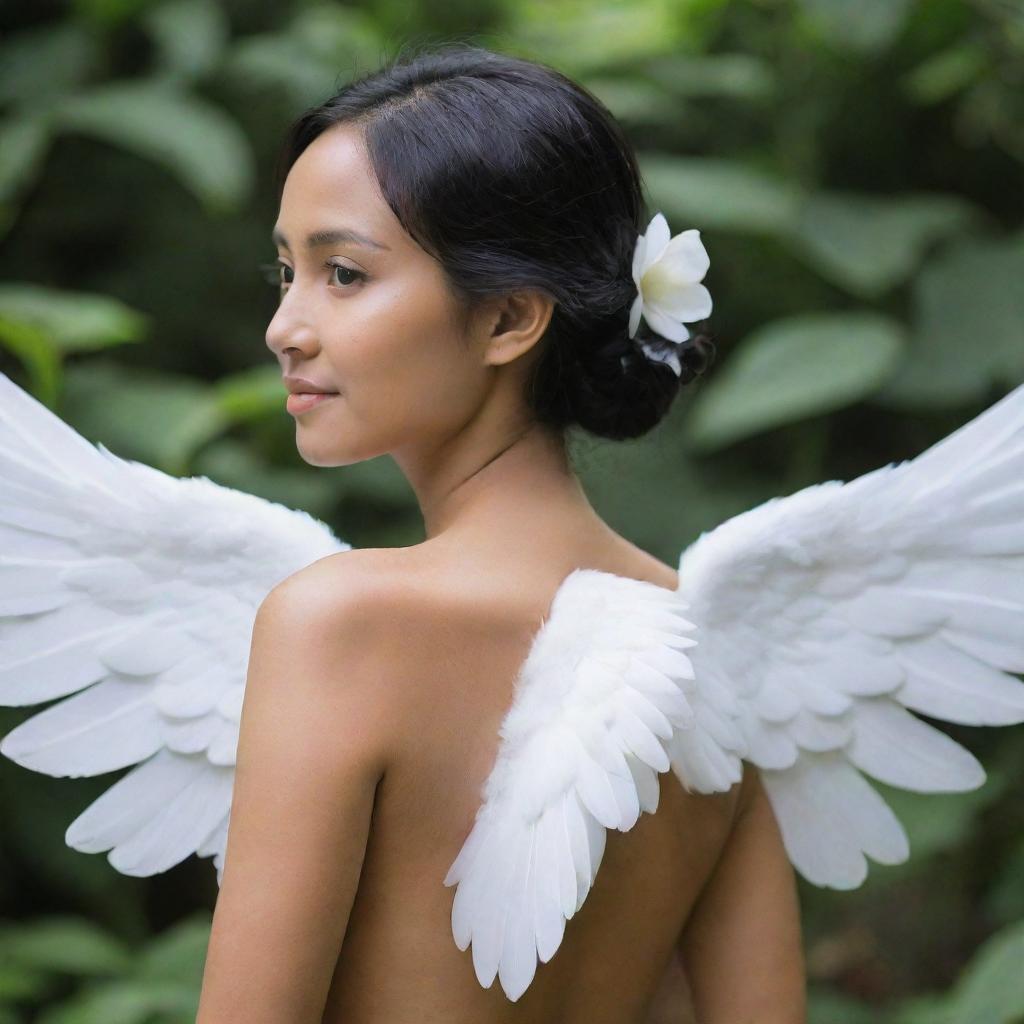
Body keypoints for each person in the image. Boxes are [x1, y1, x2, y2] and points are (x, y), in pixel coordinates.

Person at [195, 41, 804, 1023]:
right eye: (286, 271)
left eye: (343, 274)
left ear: (509, 319)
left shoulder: (340, 623)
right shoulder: (711, 649)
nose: (285, 326)